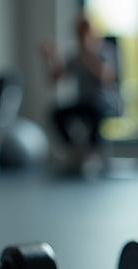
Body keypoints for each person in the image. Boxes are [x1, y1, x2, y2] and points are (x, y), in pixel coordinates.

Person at [38, 14, 117, 168]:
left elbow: (106, 78)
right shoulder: (76, 56)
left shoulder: (105, 50)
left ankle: (93, 153)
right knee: (56, 112)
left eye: (84, 31)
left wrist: (87, 52)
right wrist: (50, 57)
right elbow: (56, 78)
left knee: (95, 109)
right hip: (83, 101)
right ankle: (76, 151)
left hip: (106, 101)